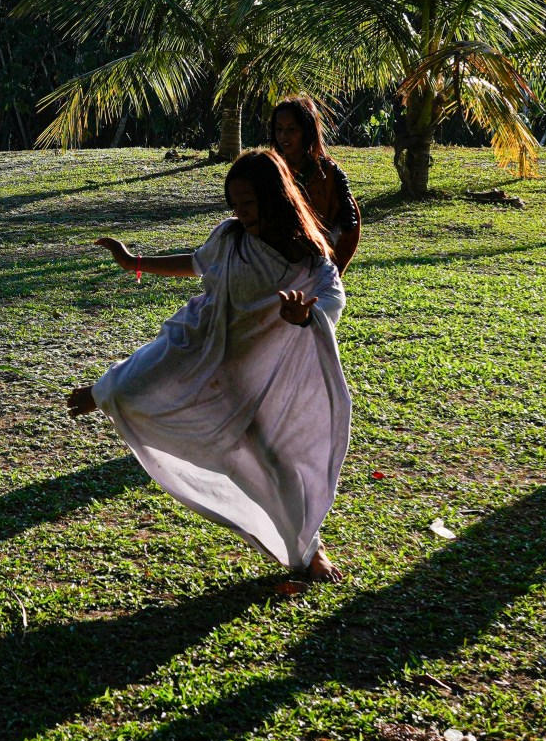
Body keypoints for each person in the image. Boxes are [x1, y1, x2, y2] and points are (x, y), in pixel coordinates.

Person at [68, 149, 350, 585]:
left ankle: (309, 552)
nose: (241, 212)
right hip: (197, 347)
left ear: (275, 198)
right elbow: (197, 261)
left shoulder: (306, 256)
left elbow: (330, 296)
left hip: (258, 377)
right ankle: (102, 393)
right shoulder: (231, 237)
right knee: (127, 388)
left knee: (276, 463)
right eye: (234, 204)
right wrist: (135, 262)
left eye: (250, 203)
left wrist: (307, 316)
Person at [270, 95, 362, 272]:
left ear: (307, 130)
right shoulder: (266, 169)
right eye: (279, 129)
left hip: (318, 263)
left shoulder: (329, 174)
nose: (284, 136)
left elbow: (348, 224)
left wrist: (332, 266)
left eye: (292, 129)